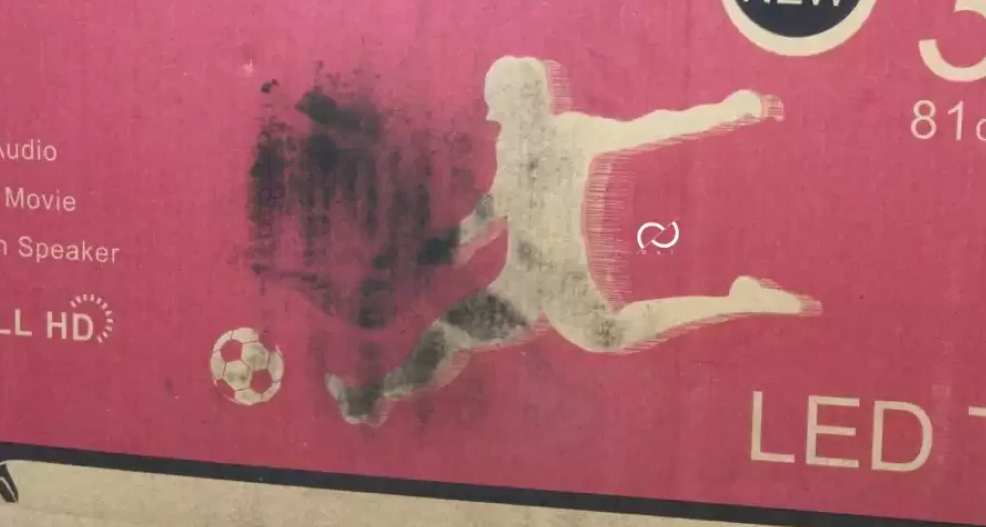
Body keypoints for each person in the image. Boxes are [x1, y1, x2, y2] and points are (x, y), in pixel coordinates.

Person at [326, 56, 813, 425]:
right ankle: (372, 396)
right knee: (445, 333)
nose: (496, 117)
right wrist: (449, 243)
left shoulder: (574, 133)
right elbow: (495, 207)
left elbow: (652, 127)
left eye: (503, 106)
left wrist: (729, 110)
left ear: (526, 101)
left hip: (564, 283)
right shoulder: (510, 143)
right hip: (519, 284)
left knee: (610, 335)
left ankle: (737, 300)